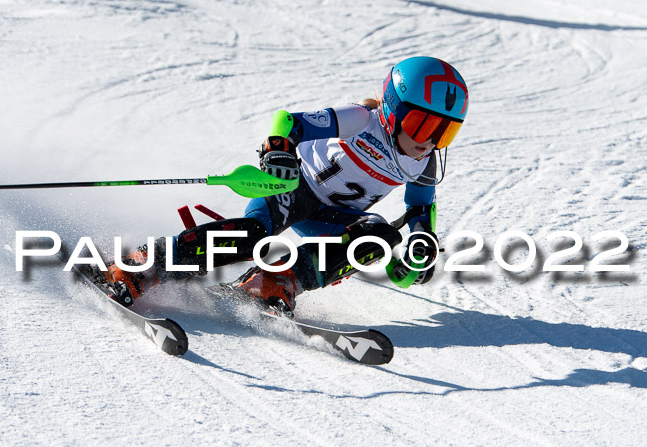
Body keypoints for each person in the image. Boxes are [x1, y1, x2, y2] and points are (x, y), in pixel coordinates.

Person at [98, 56, 469, 314]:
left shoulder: (424, 161)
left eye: (445, 130)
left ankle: (276, 281)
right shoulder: (362, 120)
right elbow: (290, 122)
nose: (430, 140)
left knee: (381, 236)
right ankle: (142, 267)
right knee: (253, 234)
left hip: (333, 217)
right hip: (290, 189)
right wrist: (279, 149)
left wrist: (421, 246)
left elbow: (420, 210)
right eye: (423, 124)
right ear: (392, 108)